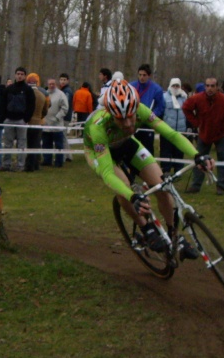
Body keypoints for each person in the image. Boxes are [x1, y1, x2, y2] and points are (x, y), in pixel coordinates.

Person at [82, 80, 213, 257]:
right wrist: (132, 196)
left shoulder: (142, 110)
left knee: (163, 186)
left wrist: (197, 155)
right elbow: (107, 172)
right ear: (110, 114)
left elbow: (171, 134)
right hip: (100, 153)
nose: (128, 124)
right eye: (120, 119)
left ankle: (174, 236)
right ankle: (147, 228)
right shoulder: (98, 126)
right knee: (123, 189)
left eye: (131, 116)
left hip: (126, 144)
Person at [183, 77, 224, 195]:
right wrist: (196, 123)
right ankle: (195, 185)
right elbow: (186, 108)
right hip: (204, 133)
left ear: (217, 87)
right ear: (205, 86)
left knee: (221, 159)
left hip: (220, 134)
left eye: (212, 86)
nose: (210, 88)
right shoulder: (197, 98)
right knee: (199, 159)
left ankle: (221, 186)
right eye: (208, 85)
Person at [1, 67, 35, 172]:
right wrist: (5, 117)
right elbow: (3, 103)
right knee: (8, 143)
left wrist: (26, 118)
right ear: (15, 75)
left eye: (21, 74)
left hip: (21, 120)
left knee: (21, 143)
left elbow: (31, 105)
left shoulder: (28, 90)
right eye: (18, 74)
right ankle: (6, 164)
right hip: (9, 119)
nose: (19, 76)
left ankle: (21, 165)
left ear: (24, 76)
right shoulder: (9, 88)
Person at [130, 64, 165, 156]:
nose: (141, 77)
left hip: (147, 123)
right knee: (132, 148)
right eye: (140, 74)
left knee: (147, 149)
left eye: (144, 75)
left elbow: (160, 106)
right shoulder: (131, 86)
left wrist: (152, 115)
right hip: (133, 123)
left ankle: (148, 168)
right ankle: (133, 169)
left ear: (149, 76)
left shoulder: (156, 89)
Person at [159, 78, 188, 174]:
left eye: (177, 86)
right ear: (170, 86)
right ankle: (166, 169)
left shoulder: (184, 97)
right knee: (166, 150)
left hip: (180, 130)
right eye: (173, 85)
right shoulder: (164, 97)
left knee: (179, 151)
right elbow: (161, 112)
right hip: (167, 129)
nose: (175, 88)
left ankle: (178, 170)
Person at [42, 77, 68, 167]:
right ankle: (47, 160)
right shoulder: (45, 94)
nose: (51, 85)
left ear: (55, 84)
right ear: (47, 84)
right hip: (46, 124)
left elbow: (65, 108)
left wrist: (57, 117)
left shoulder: (61, 94)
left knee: (59, 145)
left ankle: (59, 161)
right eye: (50, 84)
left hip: (57, 125)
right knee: (46, 144)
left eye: (53, 84)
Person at [25, 73, 48, 172]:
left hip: (28, 122)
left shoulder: (27, 94)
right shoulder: (42, 95)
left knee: (28, 144)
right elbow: (45, 110)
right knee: (36, 144)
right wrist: (40, 117)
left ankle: (28, 165)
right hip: (38, 122)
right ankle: (36, 164)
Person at [58, 73, 74, 161]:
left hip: (65, 117)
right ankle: (69, 155)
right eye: (61, 79)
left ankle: (63, 156)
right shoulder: (63, 90)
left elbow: (65, 104)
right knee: (64, 136)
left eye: (64, 80)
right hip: (65, 116)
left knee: (62, 136)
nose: (62, 81)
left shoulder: (67, 91)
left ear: (67, 81)